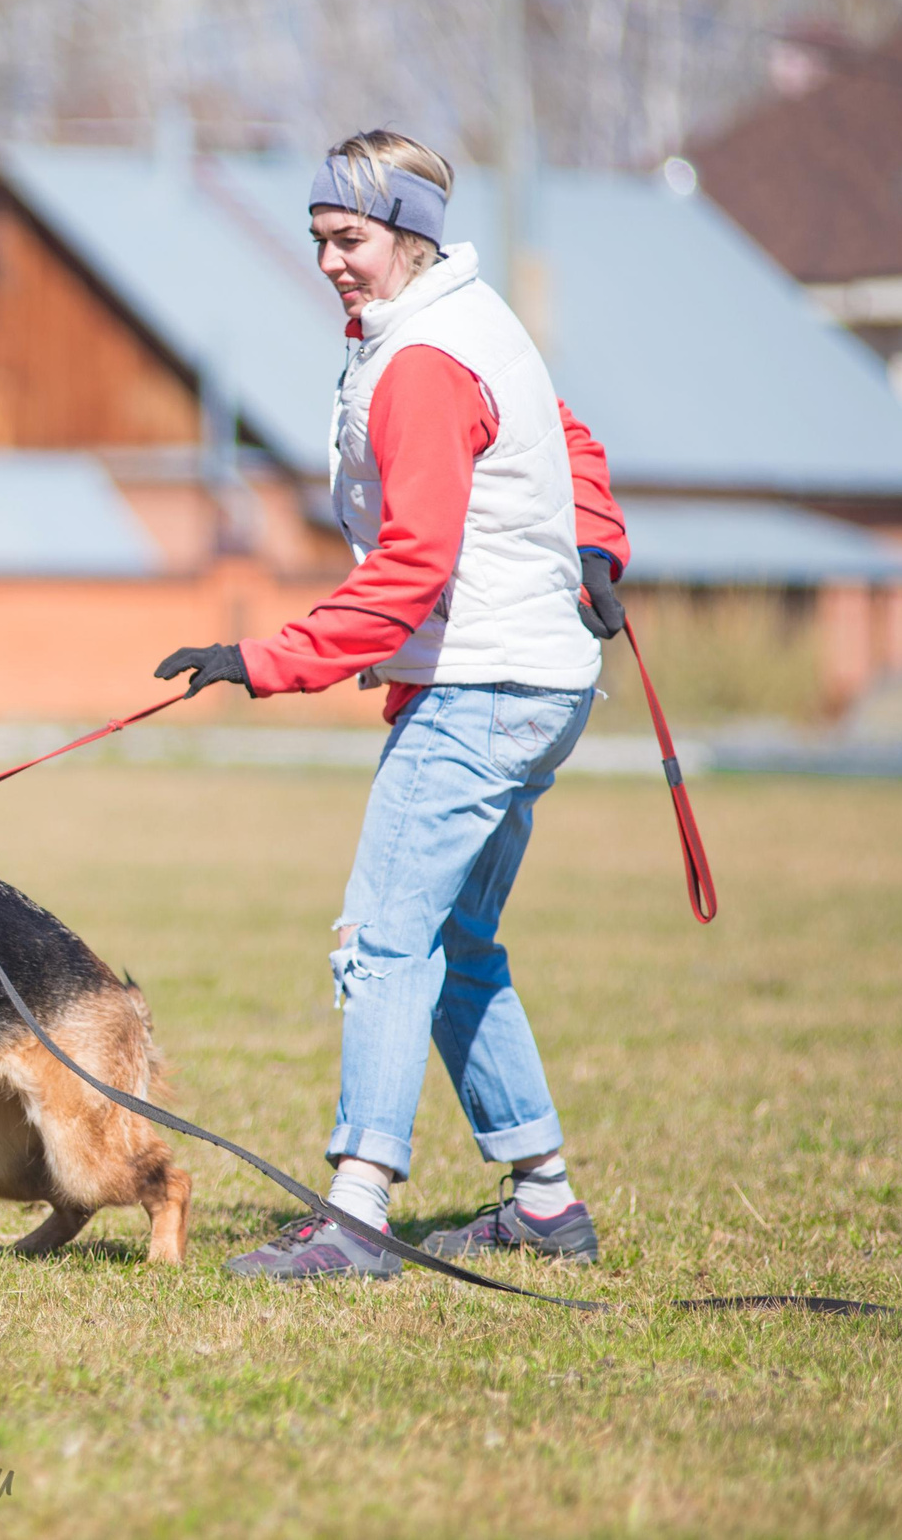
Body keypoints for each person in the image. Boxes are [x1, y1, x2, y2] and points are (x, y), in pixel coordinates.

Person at [155, 130, 632, 1282]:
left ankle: (356, 1212)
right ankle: (545, 1204)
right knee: (454, 940)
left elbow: (411, 568)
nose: (329, 260)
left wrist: (265, 657)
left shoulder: (422, 358)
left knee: (380, 941)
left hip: (483, 684)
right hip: (535, 678)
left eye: (349, 239)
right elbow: (565, 437)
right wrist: (595, 539)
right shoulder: (463, 319)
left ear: (409, 232)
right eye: (317, 238)